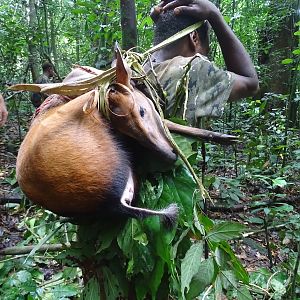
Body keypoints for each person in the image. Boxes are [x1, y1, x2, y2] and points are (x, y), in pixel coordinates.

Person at [147, 0, 259, 126]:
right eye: (205, 51)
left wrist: (162, 23)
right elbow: (251, 84)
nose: (205, 57)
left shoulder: (135, 67)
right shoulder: (192, 69)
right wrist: (214, 14)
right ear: (194, 38)